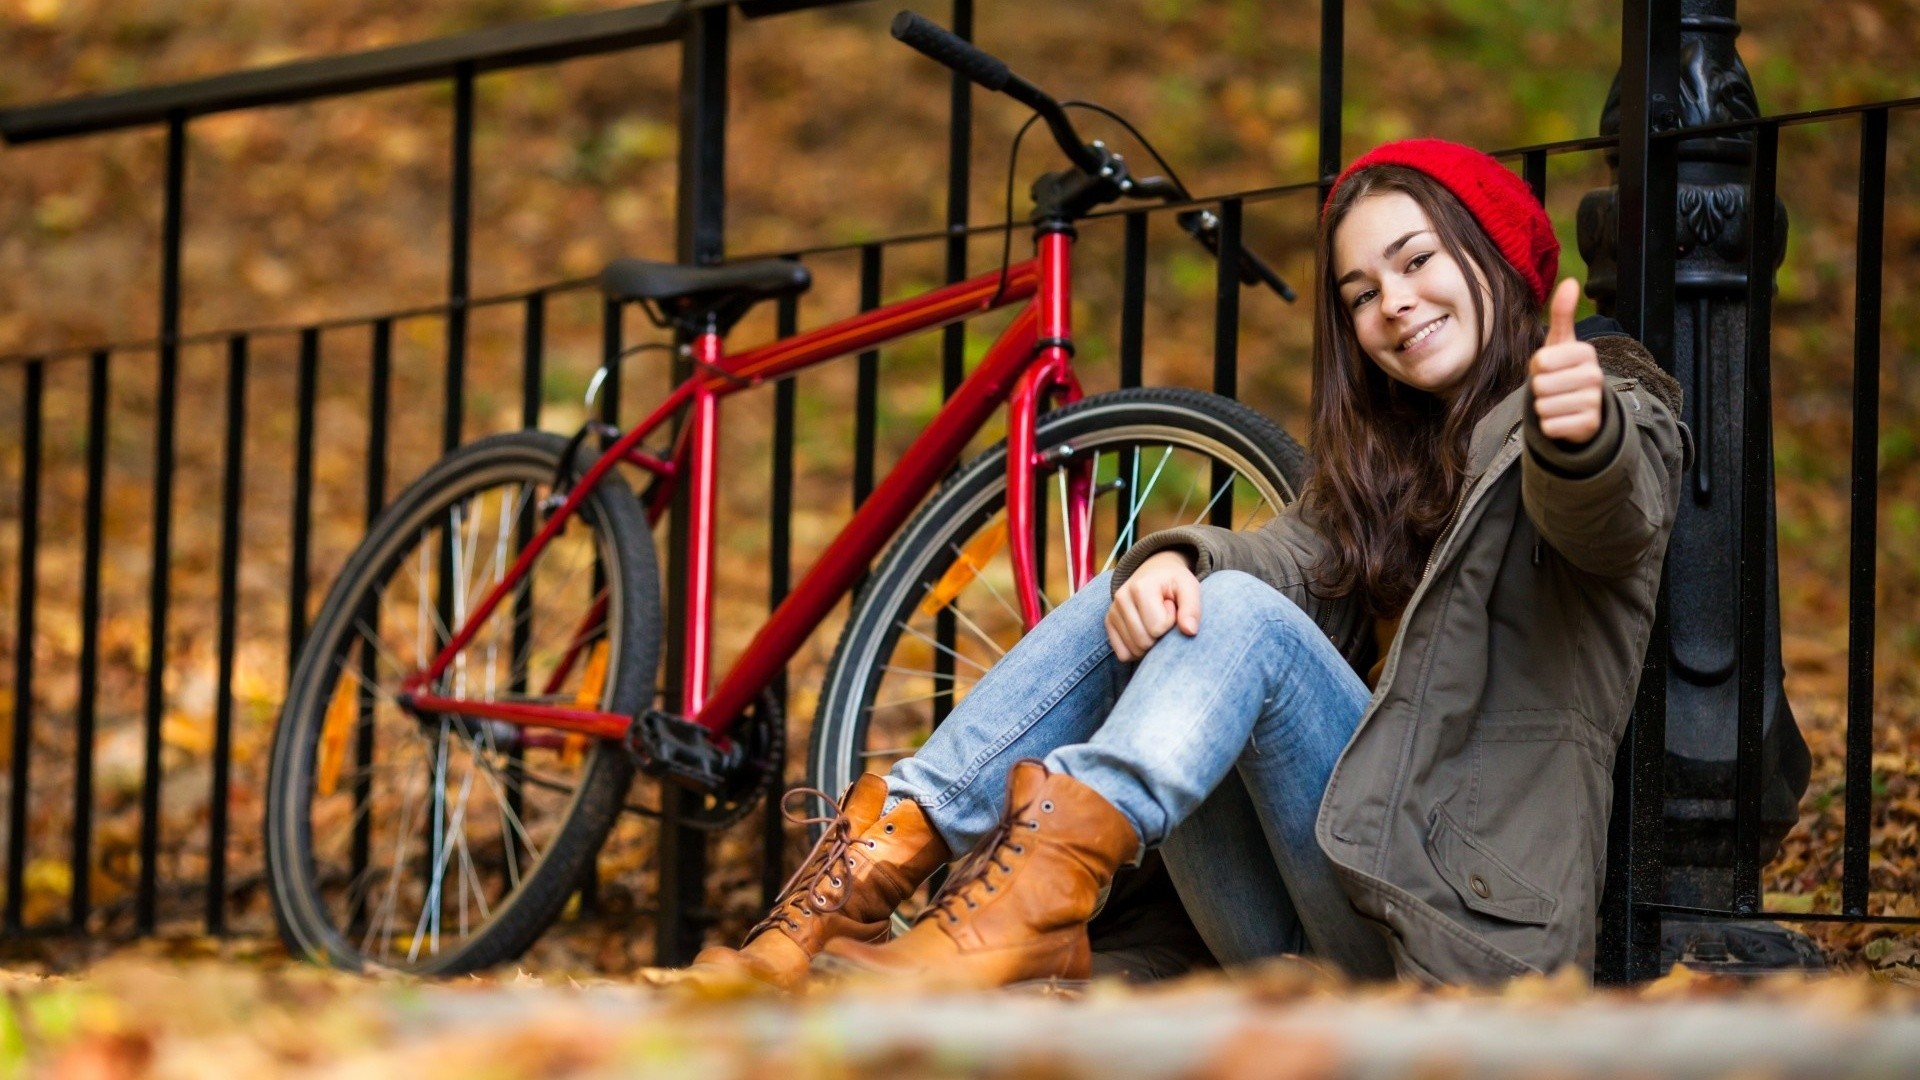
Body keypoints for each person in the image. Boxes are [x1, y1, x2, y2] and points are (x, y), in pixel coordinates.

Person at [690, 138, 1689, 990]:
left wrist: (1580, 432)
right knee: (1164, 592)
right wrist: (1173, 563)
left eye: (1418, 259)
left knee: (1233, 613)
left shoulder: (1597, 406)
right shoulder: (1394, 465)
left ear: (1496, 250)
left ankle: (1014, 909)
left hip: (1451, 935)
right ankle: (853, 880)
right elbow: (1279, 559)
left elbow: (1608, 520)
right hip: (1299, 912)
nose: (1394, 301)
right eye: (1361, 291)